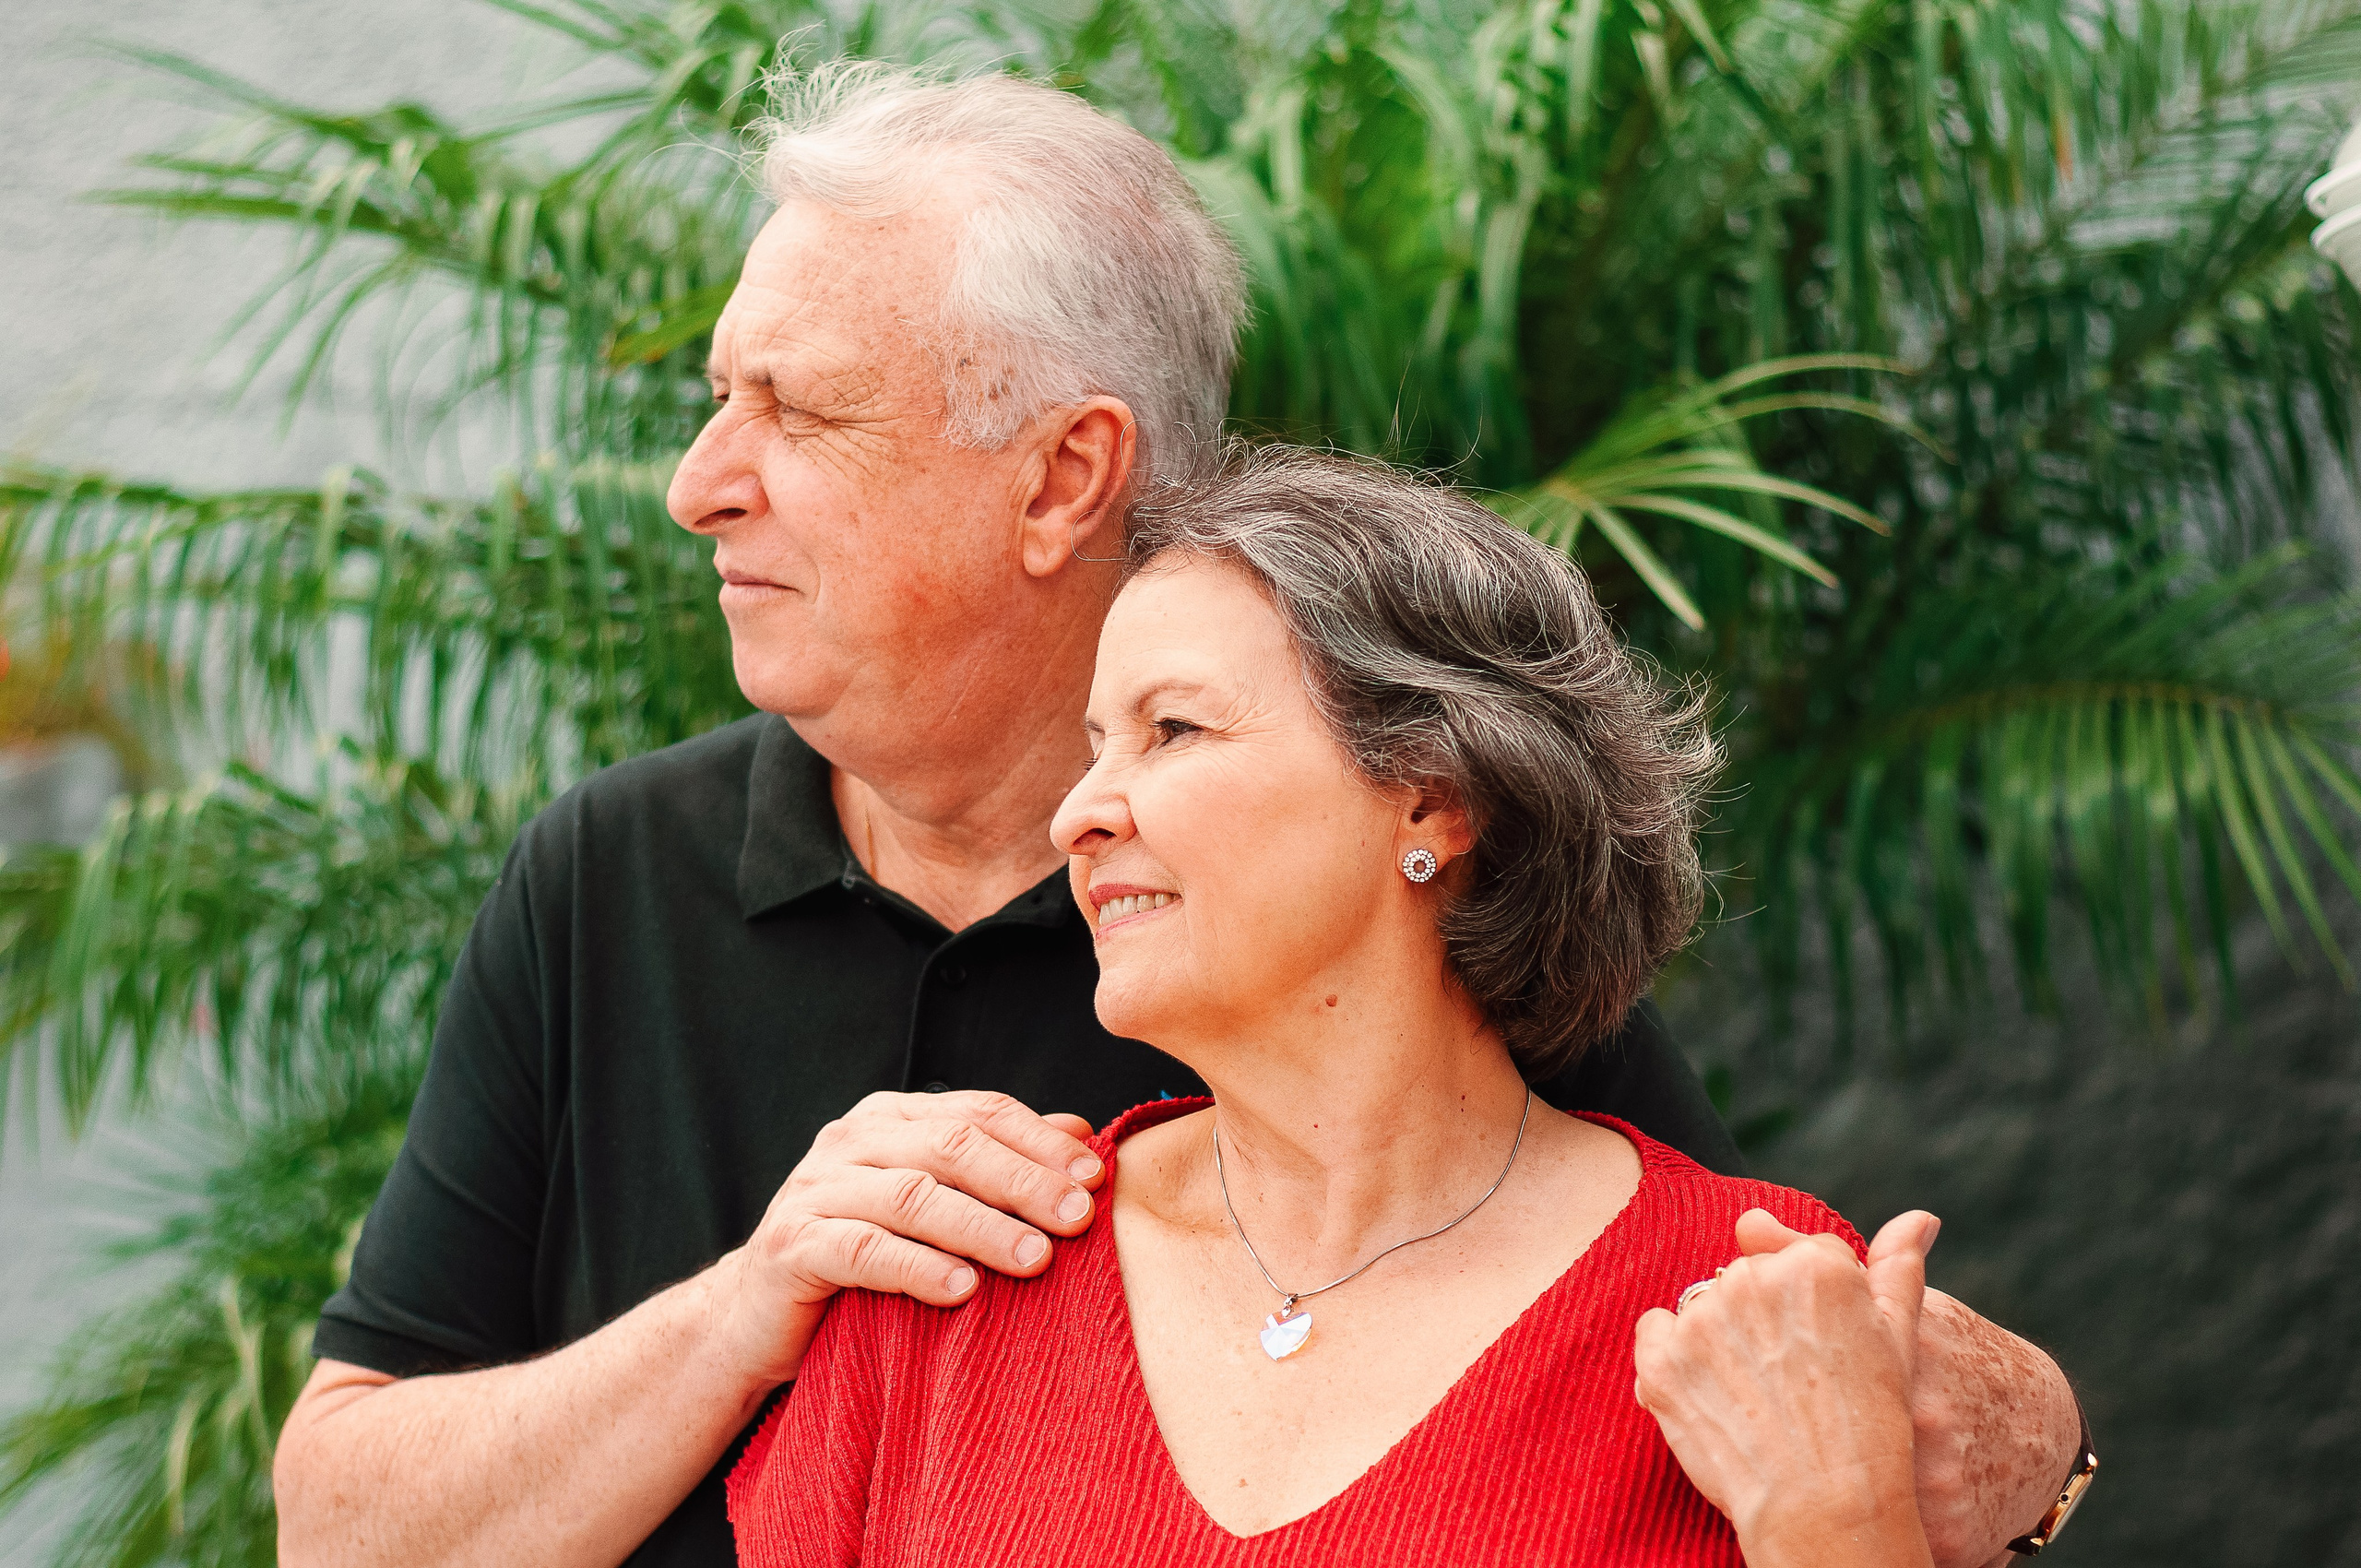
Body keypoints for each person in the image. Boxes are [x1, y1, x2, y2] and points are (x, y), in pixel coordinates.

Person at [271, 64, 2084, 1568]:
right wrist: (757, 1299)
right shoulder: (604, 874)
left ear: (1064, 473)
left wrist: (1973, 1452)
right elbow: (340, 1526)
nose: (696, 485)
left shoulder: (1345, 918)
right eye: (712, 400)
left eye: (793, 412)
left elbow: (1752, 1326)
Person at [729, 443, 1941, 1566]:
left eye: (1172, 730)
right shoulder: (947, 1290)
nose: (1080, 814)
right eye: (1096, 747)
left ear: (1433, 799)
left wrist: (1847, 1531)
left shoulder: (1759, 1310)